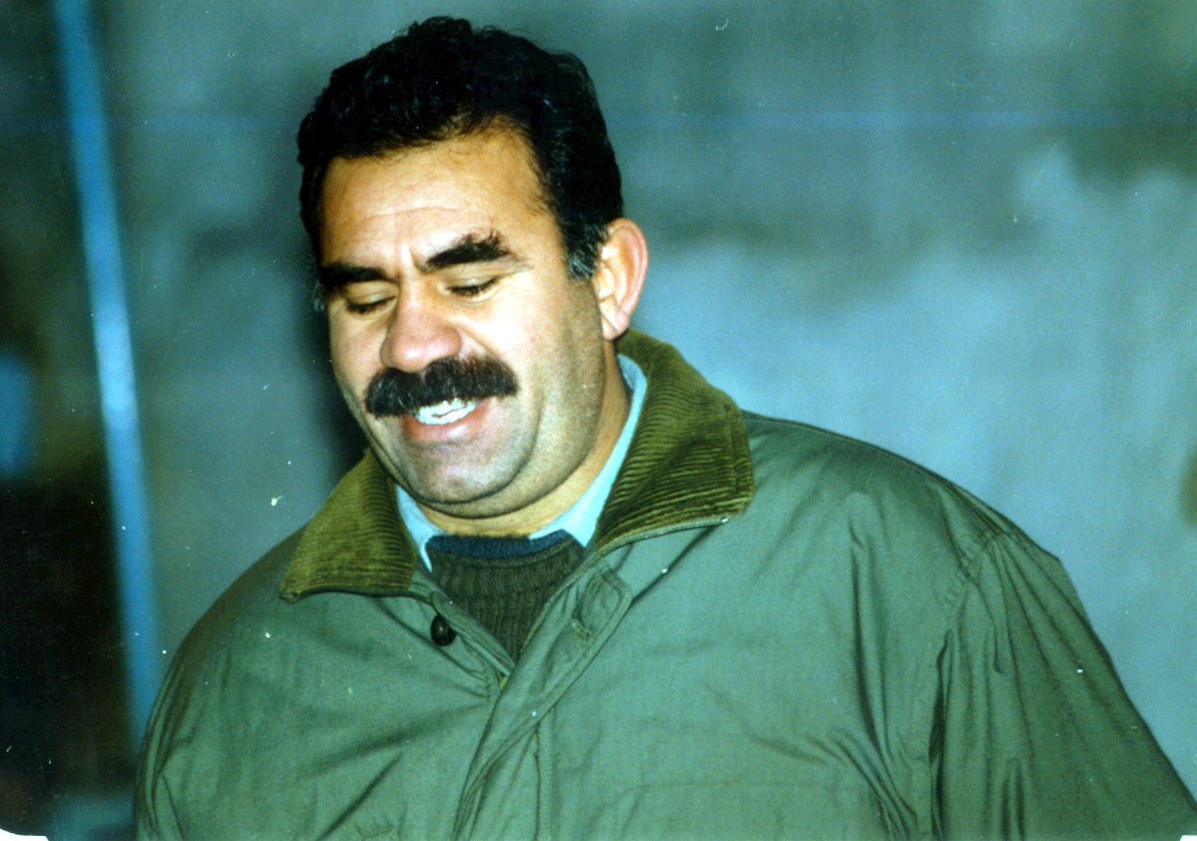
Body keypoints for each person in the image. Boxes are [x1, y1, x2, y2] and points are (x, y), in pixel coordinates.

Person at [134, 16, 1197, 841]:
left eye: (470, 279)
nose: (412, 346)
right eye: (365, 297)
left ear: (608, 279)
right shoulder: (233, 688)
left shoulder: (915, 581)